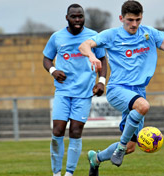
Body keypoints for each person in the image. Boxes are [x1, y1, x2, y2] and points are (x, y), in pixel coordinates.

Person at [79, 0, 164, 175]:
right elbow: (84, 45)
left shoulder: (150, 34)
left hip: (138, 91)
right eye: (130, 20)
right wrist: (92, 56)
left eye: (138, 19)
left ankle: (96, 158)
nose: (134, 24)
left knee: (131, 147)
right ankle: (120, 148)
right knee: (143, 106)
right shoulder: (111, 35)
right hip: (117, 89)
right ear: (121, 18)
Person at [43, 4, 107, 176]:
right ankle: (56, 173)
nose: (77, 20)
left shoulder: (93, 36)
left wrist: (101, 81)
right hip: (63, 91)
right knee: (57, 130)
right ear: (67, 18)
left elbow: (102, 59)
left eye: (80, 16)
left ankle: (69, 173)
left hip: (84, 92)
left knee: (76, 131)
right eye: (74, 16)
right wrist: (53, 71)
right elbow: (47, 59)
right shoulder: (57, 37)